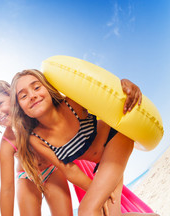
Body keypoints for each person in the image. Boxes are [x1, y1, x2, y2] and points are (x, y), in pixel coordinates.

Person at [10, 69, 159, 216]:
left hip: (114, 141)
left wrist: (123, 84)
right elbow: (69, 169)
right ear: (20, 108)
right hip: (102, 165)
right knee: (110, 213)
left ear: (48, 89)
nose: (32, 96)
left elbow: (107, 92)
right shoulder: (36, 138)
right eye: (23, 96)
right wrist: (97, 192)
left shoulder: (72, 103)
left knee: (87, 211)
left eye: (36, 87)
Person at [0, 80, 73, 216]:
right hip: (27, 177)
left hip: (52, 169)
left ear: (13, 97)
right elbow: (7, 188)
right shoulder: (7, 143)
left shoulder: (36, 119)